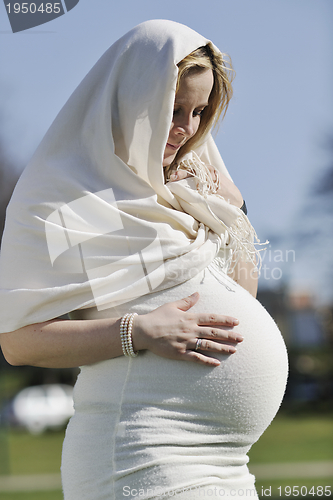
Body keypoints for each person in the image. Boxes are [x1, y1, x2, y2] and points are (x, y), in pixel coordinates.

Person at [0, 20, 288, 499]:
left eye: (200, 111)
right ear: (132, 99)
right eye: (173, 109)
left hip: (229, 460)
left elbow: (241, 299)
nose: (187, 129)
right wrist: (138, 331)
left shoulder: (192, 188)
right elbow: (18, 343)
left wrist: (233, 214)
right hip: (143, 456)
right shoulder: (60, 199)